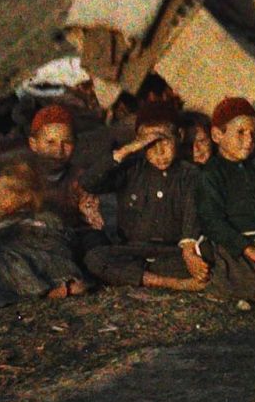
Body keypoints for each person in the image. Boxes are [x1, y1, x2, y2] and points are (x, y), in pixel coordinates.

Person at [77, 101, 205, 291]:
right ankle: (169, 283)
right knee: (95, 258)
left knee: (205, 258)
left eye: (164, 141)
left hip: (172, 252)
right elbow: (89, 183)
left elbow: (191, 218)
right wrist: (125, 151)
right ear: (138, 142)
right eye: (150, 144)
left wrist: (189, 252)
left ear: (179, 136)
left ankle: (138, 275)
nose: (159, 152)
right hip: (132, 250)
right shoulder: (131, 168)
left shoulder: (189, 174)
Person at [193, 97, 255, 306]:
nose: (248, 140)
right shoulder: (211, 173)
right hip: (234, 244)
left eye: (252, 134)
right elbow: (213, 221)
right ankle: (221, 282)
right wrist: (249, 250)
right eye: (240, 132)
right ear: (217, 135)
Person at [0, 104, 107, 264]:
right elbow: (0, 213)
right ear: (33, 144)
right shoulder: (21, 174)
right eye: (50, 143)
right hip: (31, 237)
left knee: (96, 247)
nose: (58, 151)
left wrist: (92, 214)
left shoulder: (79, 177)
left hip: (68, 238)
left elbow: (90, 217)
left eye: (66, 143)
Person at [0, 162, 88, 306]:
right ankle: (46, 290)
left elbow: (55, 241)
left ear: (27, 195)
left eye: (5, 193)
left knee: (9, 259)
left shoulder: (42, 217)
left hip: (43, 260)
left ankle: (54, 287)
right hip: (14, 265)